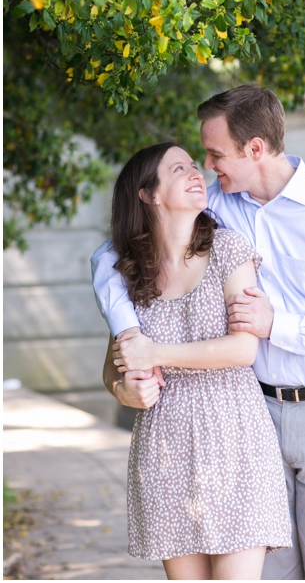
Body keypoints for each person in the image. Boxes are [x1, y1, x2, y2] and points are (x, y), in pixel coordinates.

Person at [92, 84, 305, 580]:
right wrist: (128, 337)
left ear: (255, 149)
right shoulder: (215, 206)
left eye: (214, 154)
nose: (208, 166)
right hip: (251, 417)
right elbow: (115, 252)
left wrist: (279, 325)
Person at [99, 141, 292, 579]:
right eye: (178, 169)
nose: (195, 174)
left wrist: (157, 354)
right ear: (148, 194)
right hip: (165, 448)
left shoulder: (227, 249)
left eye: (194, 165)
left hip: (236, 439)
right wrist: (122, 389)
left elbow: (242, 349)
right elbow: (115, 362)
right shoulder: (127, 272)